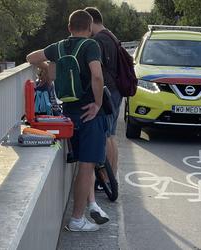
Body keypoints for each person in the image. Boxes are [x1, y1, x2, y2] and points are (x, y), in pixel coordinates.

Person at [26, 9, 109, 232]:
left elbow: (31, 58)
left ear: (69, 28)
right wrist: (98, 104)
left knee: (83, 163)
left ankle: (86, 209)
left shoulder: (60, 47)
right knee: (86, 166)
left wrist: (44, 68)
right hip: (90, 114)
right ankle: (77, 219)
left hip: (69, 113)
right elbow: (97, 75)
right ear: (90, 28)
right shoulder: (91, 46)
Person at [85, 7, 122, 178]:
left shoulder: (98, 40)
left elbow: (97, 72)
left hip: (107, 92)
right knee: (112, 135)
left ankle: (107, 178)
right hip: (116, 90)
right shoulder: (111, 36)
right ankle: (112, 176)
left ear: (91, 22)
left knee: (106, 136)